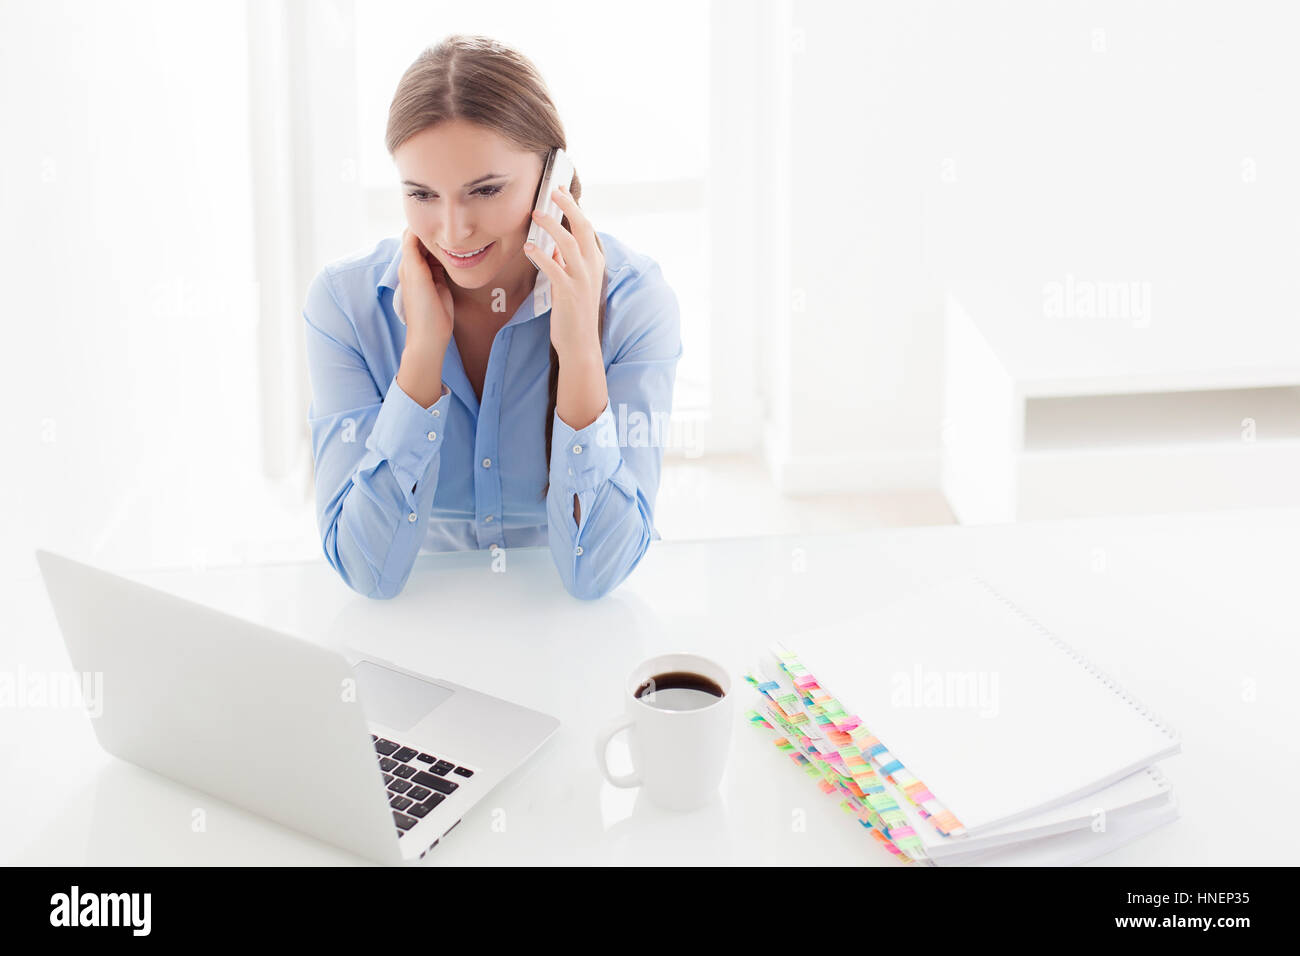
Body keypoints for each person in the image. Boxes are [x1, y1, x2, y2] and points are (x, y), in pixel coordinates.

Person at [303, 35, 682, 600]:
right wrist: (421, 358)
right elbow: (366, 570)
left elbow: (597, 573)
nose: (453, 231)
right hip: (423, 633)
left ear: (553, 177)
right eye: (422, 195)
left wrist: (579, 351)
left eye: (485, 190)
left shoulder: (633, 301)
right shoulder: (347, 306)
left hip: (560, 634)